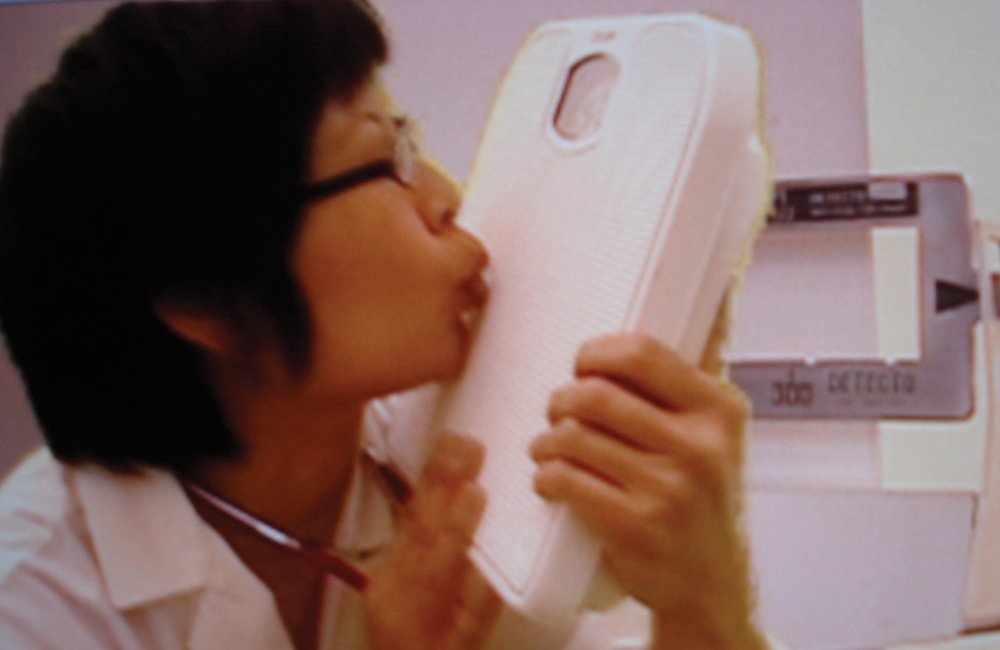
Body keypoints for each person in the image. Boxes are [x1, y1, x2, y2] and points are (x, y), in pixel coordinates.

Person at [0, 1, 769, 648]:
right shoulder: (36, 604)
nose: (446, 199)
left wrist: (705, 599)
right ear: (208, 295)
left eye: (413, 142)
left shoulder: (451, 457)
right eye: (385, 162)